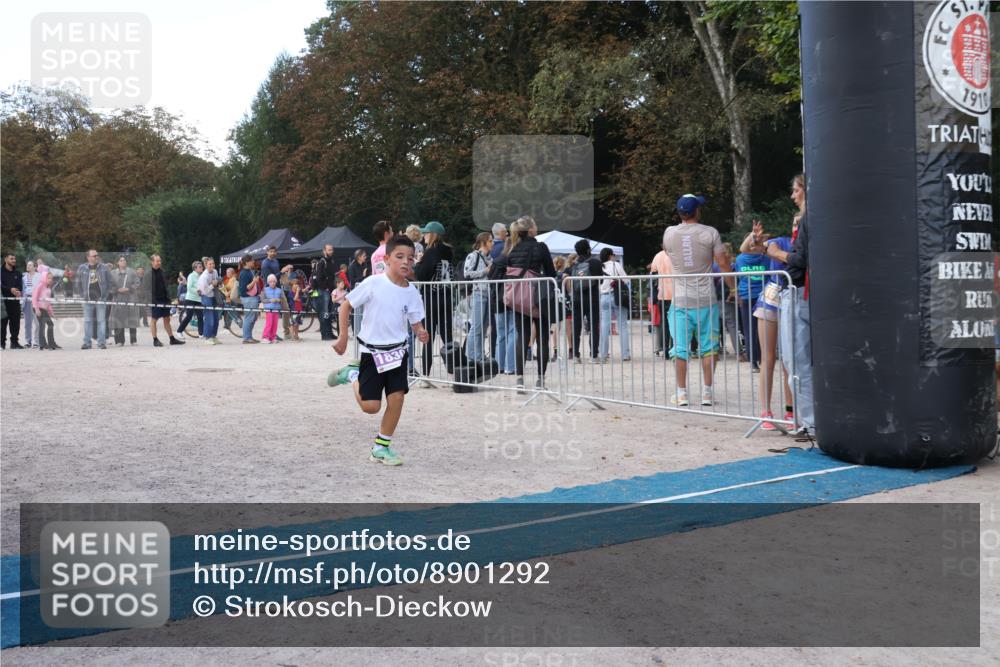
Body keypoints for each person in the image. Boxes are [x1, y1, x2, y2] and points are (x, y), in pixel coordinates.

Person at [329, 234, 430, 466]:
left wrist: (421, 332)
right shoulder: (374, 283)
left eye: (411, 258)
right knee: (371, 407)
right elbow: (345, 306)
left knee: (397, 400)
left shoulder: (412, 292)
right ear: (386, 259)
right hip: (372, 354)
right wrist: (344, 337)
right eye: (400, 256)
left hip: (398, 353)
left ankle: (380, 448)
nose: (406, 262)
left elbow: (415, 321)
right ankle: (352, 374)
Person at [662, 194, 734, 407]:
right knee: (709, 346)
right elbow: (722, 263)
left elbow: (669, 252)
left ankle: (682, 393)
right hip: (706, 299)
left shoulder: (669, 233)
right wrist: (733, 287)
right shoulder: (710, 232)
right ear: (697, 211)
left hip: (681, 300)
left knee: (680, 347)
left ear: (680, 212)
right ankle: (707, 392)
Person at [760, 174, 813, 433]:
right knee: (797, 360)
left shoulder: (808, 220)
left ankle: (810, 422)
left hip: (799, 293)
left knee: (796, 361)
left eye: (795, 191)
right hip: (803, 293)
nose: (792, 196)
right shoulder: (815, 219)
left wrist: (777, 254)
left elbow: (800, 259)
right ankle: (808, 419)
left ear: (805, 190)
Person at [505, 215, 558, 390]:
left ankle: (519, 379)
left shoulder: (513, 247)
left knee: (523, 336)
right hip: (537, 297)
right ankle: (540, 381)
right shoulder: (540, 247)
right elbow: (551, 272)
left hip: (519, 297)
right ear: (531, 229)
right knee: (543, 337)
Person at [413, 221, 454, 376]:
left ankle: (426, 374)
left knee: (427, 336)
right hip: (447, 296)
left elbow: (421, 275)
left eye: (426, 233)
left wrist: (418, 263)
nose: (423, 235)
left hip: (432, 298)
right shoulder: (449, 251)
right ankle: (454, 370)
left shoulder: (431, 252)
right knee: (447, 336)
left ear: (433, 235)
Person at [563, 240, 603, 363]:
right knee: (593, 327)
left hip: (576, 299)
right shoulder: (595, 262)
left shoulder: (574, 264)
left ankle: (576, 356)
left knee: (576, 328)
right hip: (592, 299)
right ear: (588, 249)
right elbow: (600, 280)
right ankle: (594, 356)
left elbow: (565, 277)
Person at [734, 240, 768, 372]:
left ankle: (753, 361)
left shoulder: (740, 259)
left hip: (746, 295)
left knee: (749, 330)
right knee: (764, 329)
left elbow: (738, 275)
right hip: (763, 296)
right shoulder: (764, 258)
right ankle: (764, 358)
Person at [463, 232, 493, 362]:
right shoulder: (473, 256)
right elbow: (467, 274)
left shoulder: (490, 258)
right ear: (483, 242)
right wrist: (484, 271)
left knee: (484, 327)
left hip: (488, 294)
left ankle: (479, 356)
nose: (493, 243)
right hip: (478, 293)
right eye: (491, 241)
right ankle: (470, 357)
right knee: (476, 327)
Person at [76, 249, 112, 350]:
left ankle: (101, 342)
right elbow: (77, 283)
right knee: (88, 321)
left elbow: (110, 282)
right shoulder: (82, 268)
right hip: (87, 299)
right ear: (88, 257)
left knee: (101, 321)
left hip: (101, 299)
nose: (96, 257)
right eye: (94, 255)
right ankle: (87, 343)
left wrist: (105, 295)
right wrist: (82, 295)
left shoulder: (104, 268)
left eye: (97, 255)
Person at [599, 248, 631, 361]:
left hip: (603, 296)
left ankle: (603, 354)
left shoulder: (600, 266)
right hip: (618, 296)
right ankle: (625, 354)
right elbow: (626, 280)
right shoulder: (615, 265)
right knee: (622, 325)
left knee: (604, 326)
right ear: (610, 256)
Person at [147, 254, 184, 347]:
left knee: (167, 319)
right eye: (157, 261)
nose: (159, 262)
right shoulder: (148, 274)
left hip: (165, 299)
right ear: (152, 262)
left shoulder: (163, 272)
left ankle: (172, 339)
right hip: (154, 300)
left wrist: (169, 298)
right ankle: (155, 340)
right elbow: (146, 289)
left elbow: (166, 285)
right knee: (154, 320)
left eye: (160, 261)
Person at [109, 255, 140, 346]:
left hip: (130, 297)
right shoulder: (112, 273)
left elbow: (137, 282)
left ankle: (133, 340)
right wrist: (116, 290)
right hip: (118, 298)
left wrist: (129, 289)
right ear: (118, 263)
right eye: (121, 260)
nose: (123, 262)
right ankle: (119, 341)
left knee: (132, 318)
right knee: (118, 318)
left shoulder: (132, 272)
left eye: (124, 260)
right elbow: (109, 285)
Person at [649, 248, 674, 356]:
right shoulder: (677, 254)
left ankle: (665, 349)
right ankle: (674, 348)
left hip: (662, 294)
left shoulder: (658, 255)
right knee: (675, 324)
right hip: (677, 294)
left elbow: (653, 272)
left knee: (664, 324)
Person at [314, 244, 338, 340]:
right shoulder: (321, 262)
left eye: (332, 250)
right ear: (324, 251)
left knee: (329, 313)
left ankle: (330, 333)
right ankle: (324, 334)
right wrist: (326, 287)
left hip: (330, 290)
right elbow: (319, 278)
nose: (331, 251)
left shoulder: (331, 261)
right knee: (324, 312)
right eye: (329, 250)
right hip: (324, 291)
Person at [195, 257, 222, 345]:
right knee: (209, 318)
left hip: (214, 296)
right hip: (206, 296)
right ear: (206, 265)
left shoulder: (215, 271)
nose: (212, 266)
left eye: (213, 263)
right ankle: (207, 337)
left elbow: (217, 280)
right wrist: (213, 285)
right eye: (210, 264)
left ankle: (213, 336)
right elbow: (204, 291)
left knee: (216, 318)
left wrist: (218, 282)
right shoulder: (204, 276)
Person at [237, 255, 262, 344]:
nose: (253, 262)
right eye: (252, 261)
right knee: (249, 318)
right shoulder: (244, 273)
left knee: (253, 318)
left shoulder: (248, 271)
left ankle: (249, 337)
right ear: (247, 262)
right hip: (248, 298)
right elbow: (244, 288)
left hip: (252, 298)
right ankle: (246, 338)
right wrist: (254, 281)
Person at [176, 260, 204, 339]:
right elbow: (189, 287)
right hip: (190, 299)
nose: (202, 268)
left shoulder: (201, 276)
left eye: (201, 266)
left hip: (198, 300)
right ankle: (179, 331)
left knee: (200, 316)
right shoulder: (191, 275)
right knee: (189, 316)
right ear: (195, 268)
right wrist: (197, 292)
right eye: (200, 267)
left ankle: (201, 334)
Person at [1, 252, 24, 349]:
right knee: (2, 323)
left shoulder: (18, 273)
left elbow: (20, 286)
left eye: (14, 259)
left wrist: (18, 292)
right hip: (3, 303)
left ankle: (14, 343)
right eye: (11, 258)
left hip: (15, 302)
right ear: (6, 259)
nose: (14, 260)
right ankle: (1, 343)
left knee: (15, 323)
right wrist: (10, 289)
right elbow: (0, 286)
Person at [33, 271, 60, 350]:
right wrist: (36, 309)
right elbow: (34, 298)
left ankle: (51, 343)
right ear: (44, 277)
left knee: (50, 324)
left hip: (44, 309)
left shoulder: (48, 288)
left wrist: (52, 313)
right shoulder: (40, 285)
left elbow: (48, 302)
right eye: (48, 278)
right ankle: (42, 344)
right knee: (42, 325)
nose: (50, 280)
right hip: (39, 308)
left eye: (51, 278)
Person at [21, 260, 38, 347]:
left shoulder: (39, 276)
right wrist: (22, 301)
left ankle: (36, 341)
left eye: (30, 265)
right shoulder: (23, 277)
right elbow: (23, 290)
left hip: (36, 301)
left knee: (38, 322)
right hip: (27, 301)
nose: (28, 266)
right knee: (28, 323)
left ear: (35, 267)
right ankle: (28, 341)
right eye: (27, 265)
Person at [261, 274, 283, 343]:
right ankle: (265, 337)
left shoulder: (279, 290)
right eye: (270, 282)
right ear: (268, 282)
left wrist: (279, 300)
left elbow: (282, 299)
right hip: (269, 309)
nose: (272, 283)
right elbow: (262, 300)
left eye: (274, 281)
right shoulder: (265, 290)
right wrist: (270, 300)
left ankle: (272, 337)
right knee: (269, 323)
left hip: (276, 309)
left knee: (275, 324)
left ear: (276, 282)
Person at [289, 275, 305, 341]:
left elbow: (303, 291)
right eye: (295, 284)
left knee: (298, 323)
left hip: (299, 310)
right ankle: (292, 337)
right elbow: (295, 299)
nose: (297, 286)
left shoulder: (299, 292)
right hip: (294, 310)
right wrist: (298, 291)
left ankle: (296, 335)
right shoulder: (291, 293)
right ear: (292, 286)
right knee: (293, 324)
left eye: (297, 284)